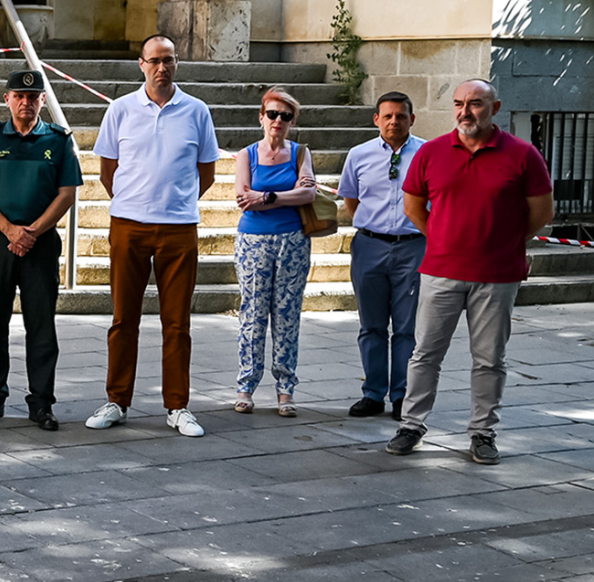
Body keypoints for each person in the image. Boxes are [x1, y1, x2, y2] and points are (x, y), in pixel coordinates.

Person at [386, 79, 553, 465]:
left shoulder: (523, 155)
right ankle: (411, 425)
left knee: (489, 358)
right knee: (425, 353)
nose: (465, 111)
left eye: (475, 104)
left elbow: (542, 214)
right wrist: (443, 238)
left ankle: (482, 432)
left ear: (494, 108)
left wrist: (503, 242)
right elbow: (414, 207)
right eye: (459, 103)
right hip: (441, 271)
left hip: (497, 275)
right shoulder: (431, 152)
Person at [87, 34, 220, 437]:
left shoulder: (196, 111)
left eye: (170, 60)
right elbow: (108, 169)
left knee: (176, 321)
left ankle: (177, 405)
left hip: (179, 228)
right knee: (123, 318)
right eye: (155, 61)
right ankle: (117, 399)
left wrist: (173, 202)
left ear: (176, 64)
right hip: (128, 225)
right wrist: (135, 201)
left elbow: (207, 171)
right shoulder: (121, 110)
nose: (162, 68)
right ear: (141, 65)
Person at [0, 70, 81, 431]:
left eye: (33, 98)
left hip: (41, 243)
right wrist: (9, 229)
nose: (25, 102)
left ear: (42, 101)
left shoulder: (59, 140)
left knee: (42, 324)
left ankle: (42, 402)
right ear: (7, 99)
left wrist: (31, 231)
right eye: (18, 96)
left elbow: (67, 193)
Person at [337, 91, 425, 421]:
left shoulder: (428, 153)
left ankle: (402, 395)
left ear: (411, 119)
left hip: (413, 247)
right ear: (376, 119)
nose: (394, 122)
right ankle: (373, 392)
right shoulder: (359, 155)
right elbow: (351, 200)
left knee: (405, 326)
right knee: (371, 324)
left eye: (401, 116)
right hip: (370, 246)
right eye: (387, 116)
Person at [231, 87, 317, 417]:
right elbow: (242, 197)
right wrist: (286, 194)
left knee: (287, 314)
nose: (277, 121)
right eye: (272, 114)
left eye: (285, 116)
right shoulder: (247, 154)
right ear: (261, 117)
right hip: (253, 241)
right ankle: (246, 385)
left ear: (292, 121)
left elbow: (308, 193)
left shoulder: (299, 153)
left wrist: (267, 198)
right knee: (252, 313)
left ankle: (285, 389)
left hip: (293, 241)